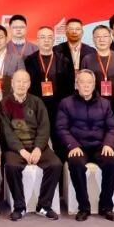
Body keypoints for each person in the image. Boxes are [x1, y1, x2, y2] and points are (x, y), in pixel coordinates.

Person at [0, 69, 62, 221]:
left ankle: (44, 206)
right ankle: (19, 207)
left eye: (24, 81)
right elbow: (7, 132)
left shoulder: (37, 102)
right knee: (12, 166)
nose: (21, 84)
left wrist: (38, 148)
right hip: (16, 148)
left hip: (37, 146)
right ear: (12, 84)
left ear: (29, 84)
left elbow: (44, 128)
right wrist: (22, 151)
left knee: (56, 164)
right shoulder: (4, 104)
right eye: (18, 81)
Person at [56, 69, 114, 221]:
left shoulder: (105, 104)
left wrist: (109, 144)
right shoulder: (66, 103)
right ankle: (84, 207)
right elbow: (61, 128)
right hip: (78, 146)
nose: (86, 86)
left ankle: (106, 206)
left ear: (94, 85)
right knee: (76, 164)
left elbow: (112, 128)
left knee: (112, 164)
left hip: (100, 146)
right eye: (82, 82)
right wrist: (72, 145)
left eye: (89, 82)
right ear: (76, 85)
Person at [24, 27, 71, 155]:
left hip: (58, 108)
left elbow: (69, 87)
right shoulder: (29, 60)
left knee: (59, 143)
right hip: (36, 108)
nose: (46, 40)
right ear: (37, 40)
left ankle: (60, 166)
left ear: (54, 40)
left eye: (49, 37)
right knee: (36, 143)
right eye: (43, 37)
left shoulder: (63, 60)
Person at [80, 25, 114, 115]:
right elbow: (82, 85)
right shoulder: (87, 59)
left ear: (111, 39)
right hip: (93, 107)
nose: (101, 40)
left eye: (105, 36)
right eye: (98, 37)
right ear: (93, 40)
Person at [55, 17, 95, 93]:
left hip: (85, 91)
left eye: (77, 29)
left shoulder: (91, 51)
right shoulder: (56, 50)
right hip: (62, 91)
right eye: (71, 29)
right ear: (66, 32)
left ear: (82, 32)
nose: (74, 32)